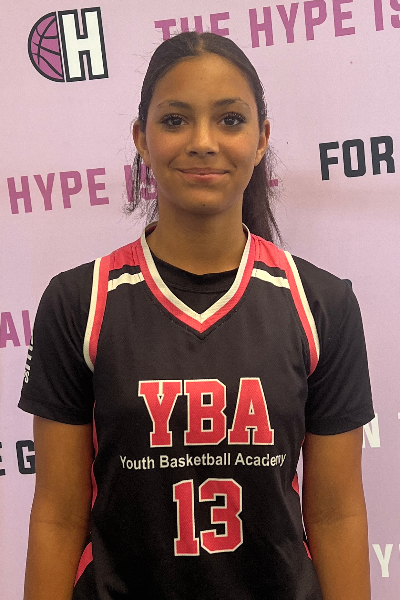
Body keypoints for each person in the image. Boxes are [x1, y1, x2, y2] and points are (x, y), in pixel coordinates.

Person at [19, 31, 374, 600]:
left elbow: (336, 515)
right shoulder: (78, 302)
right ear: (142, 138)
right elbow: (58, 516)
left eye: (230, 120)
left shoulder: (321, 304)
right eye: (175, 120)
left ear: (261, 139)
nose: (203, 142)